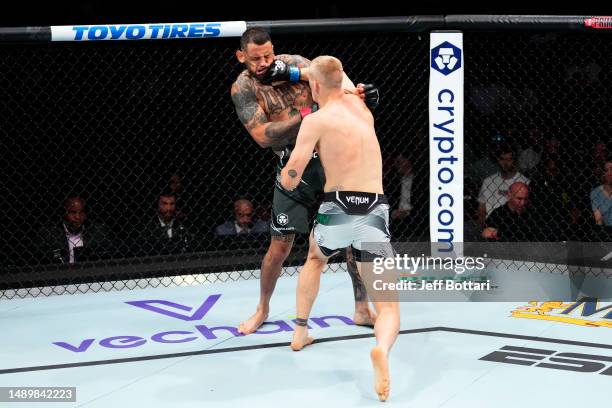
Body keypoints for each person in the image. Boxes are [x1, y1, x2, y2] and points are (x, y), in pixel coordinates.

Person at [230, 27, 380, 334]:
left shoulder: (297, 63)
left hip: (329, 159)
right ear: (241, 56)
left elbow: (337, 83)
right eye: (256, 58)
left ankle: (362, 308)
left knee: (353, 236)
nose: (263, 62)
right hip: (293, 167)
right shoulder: (242, 88)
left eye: (268, 55)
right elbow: (262, 136)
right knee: (280, 245)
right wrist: (310, 114)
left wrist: (362, 94)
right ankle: (262, 309)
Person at [280, 56, 398, 402]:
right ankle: (382, 349)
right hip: (374, 209)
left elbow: (293, 175)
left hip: (337, 208)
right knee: (389, 308)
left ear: (314, 87)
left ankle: (300, 332)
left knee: (315, 259)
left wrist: (287, 181)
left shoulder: (315, 120)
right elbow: (337, 73)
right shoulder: (361, 108)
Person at [38, 196, 111, 264]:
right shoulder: (49, 233)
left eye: (81, 212)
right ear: (64, 213)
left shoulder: (97, 231)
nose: (77, 217)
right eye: (73, 212)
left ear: (85, 215)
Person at [138, 189, 190, 255]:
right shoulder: (147, 228)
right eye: (164, 204)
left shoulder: (182, 225)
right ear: (158, 205)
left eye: (172, 204)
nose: (169, 208)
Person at [590, 159, 612, 227]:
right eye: (606, 170)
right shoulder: (595, 193)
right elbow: (599, 221)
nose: (610, 173)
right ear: (603, 173)